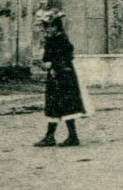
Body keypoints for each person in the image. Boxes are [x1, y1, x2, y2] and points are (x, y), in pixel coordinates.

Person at [35, 11, 87, 147]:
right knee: (55, 106)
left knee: (65, 105)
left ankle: (69, 136)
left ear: (58, 27)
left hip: (63, 76)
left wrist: (51, 64)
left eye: (52, 26)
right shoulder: (52, 39)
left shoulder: (60, 39)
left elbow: (66, 58)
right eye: (47, 27)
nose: (49, 29)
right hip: (56, 76)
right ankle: (52, 136)